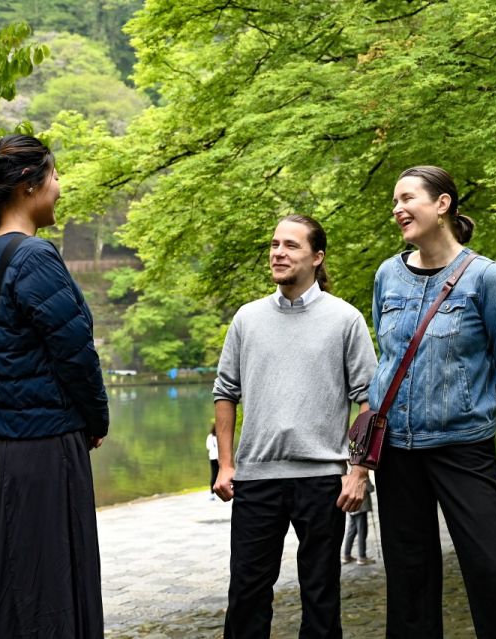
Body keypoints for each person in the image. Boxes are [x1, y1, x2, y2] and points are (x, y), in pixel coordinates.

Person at [369, 166, 496, 638]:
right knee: (409, 577)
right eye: (394, 203)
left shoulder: (486, 278)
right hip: (397, 450)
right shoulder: (388, 275)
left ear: (442, 204)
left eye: (407, 199)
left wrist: (471, 405)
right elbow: (387, 357)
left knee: (491, 565)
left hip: (462, 446)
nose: (398, 209)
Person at [0, 134, 109, 639]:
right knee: (54, 586)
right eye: (55, 175)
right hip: (47, 450)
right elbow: (75, 354)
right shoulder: (34, 258)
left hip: (4, 454)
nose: (59, 187)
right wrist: (96, 418)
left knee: (13, 583)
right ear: (29, 185)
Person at [212, 214, 378, 638]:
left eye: (290, 245)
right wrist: (226, 466)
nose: (278, 253)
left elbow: (369, 401)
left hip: (323, 479)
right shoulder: (247, 319)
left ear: (317, 257)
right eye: (274, 245)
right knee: (246, 595)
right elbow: (225, 391)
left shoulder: (345, 319)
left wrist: (358, 472)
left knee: (321, 596)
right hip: (256, 478)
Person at [341, 473, 375, 566]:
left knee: (351, 532)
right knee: (362, 533)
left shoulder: (348, 474)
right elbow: (370, 488)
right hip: (361, 507)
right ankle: (362, 557)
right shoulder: (362, 473)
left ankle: (346, 556)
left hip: (351, 508)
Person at [207, 425, 219, 500]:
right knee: (217, 475)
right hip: (218, 458)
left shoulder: (209, 437)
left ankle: (212, 493)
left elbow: (208, 447)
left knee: (214, 475)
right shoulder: (219, 436)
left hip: (212, 457)